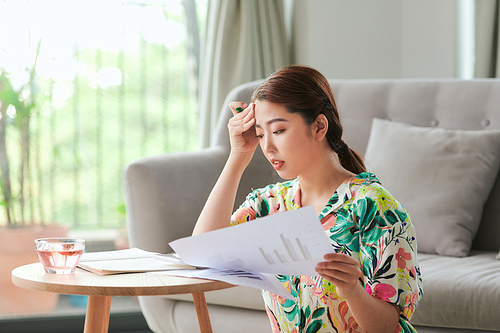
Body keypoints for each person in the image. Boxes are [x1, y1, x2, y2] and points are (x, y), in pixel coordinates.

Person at [192, 65, 423, 333]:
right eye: (260, 133)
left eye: (278, 130)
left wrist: (351, 290)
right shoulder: (269, 204)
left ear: (319, 126)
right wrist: (237, 158)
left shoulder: (374, 207)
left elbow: (388, 326)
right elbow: (203, 255)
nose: (267, 147)